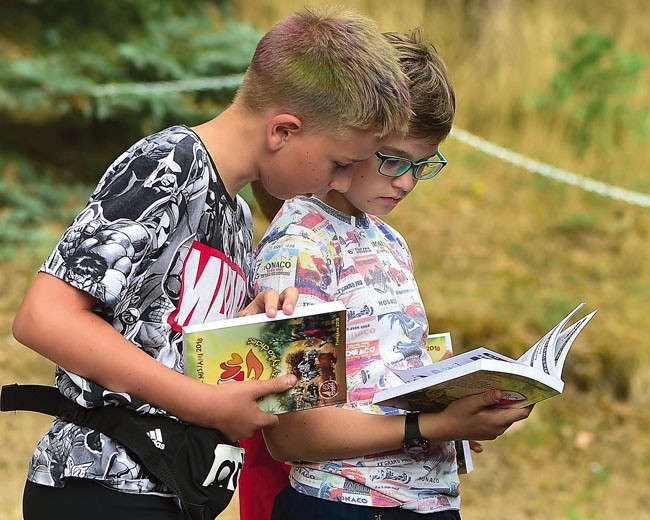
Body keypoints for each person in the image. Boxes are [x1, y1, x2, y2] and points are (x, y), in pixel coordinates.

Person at [9, 7, 412, 520]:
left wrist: (252, 323)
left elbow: (165, 334)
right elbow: (44, 318)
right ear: (283, 130)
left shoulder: (238, 214)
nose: (338, 181)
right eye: (338, 163)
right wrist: (200, 404)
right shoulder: (169, 164)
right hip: (101, 485)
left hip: (173, 489)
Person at [244, 29, 532, 519]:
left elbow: (383, 380)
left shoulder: (388, 239)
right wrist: (432, 426)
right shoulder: (300, 246)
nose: (406, 181)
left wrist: (459, 404)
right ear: (355, 136)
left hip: (428, 502)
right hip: (344, 504)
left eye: (423, 164)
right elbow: (295, 433)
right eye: (393, 160)